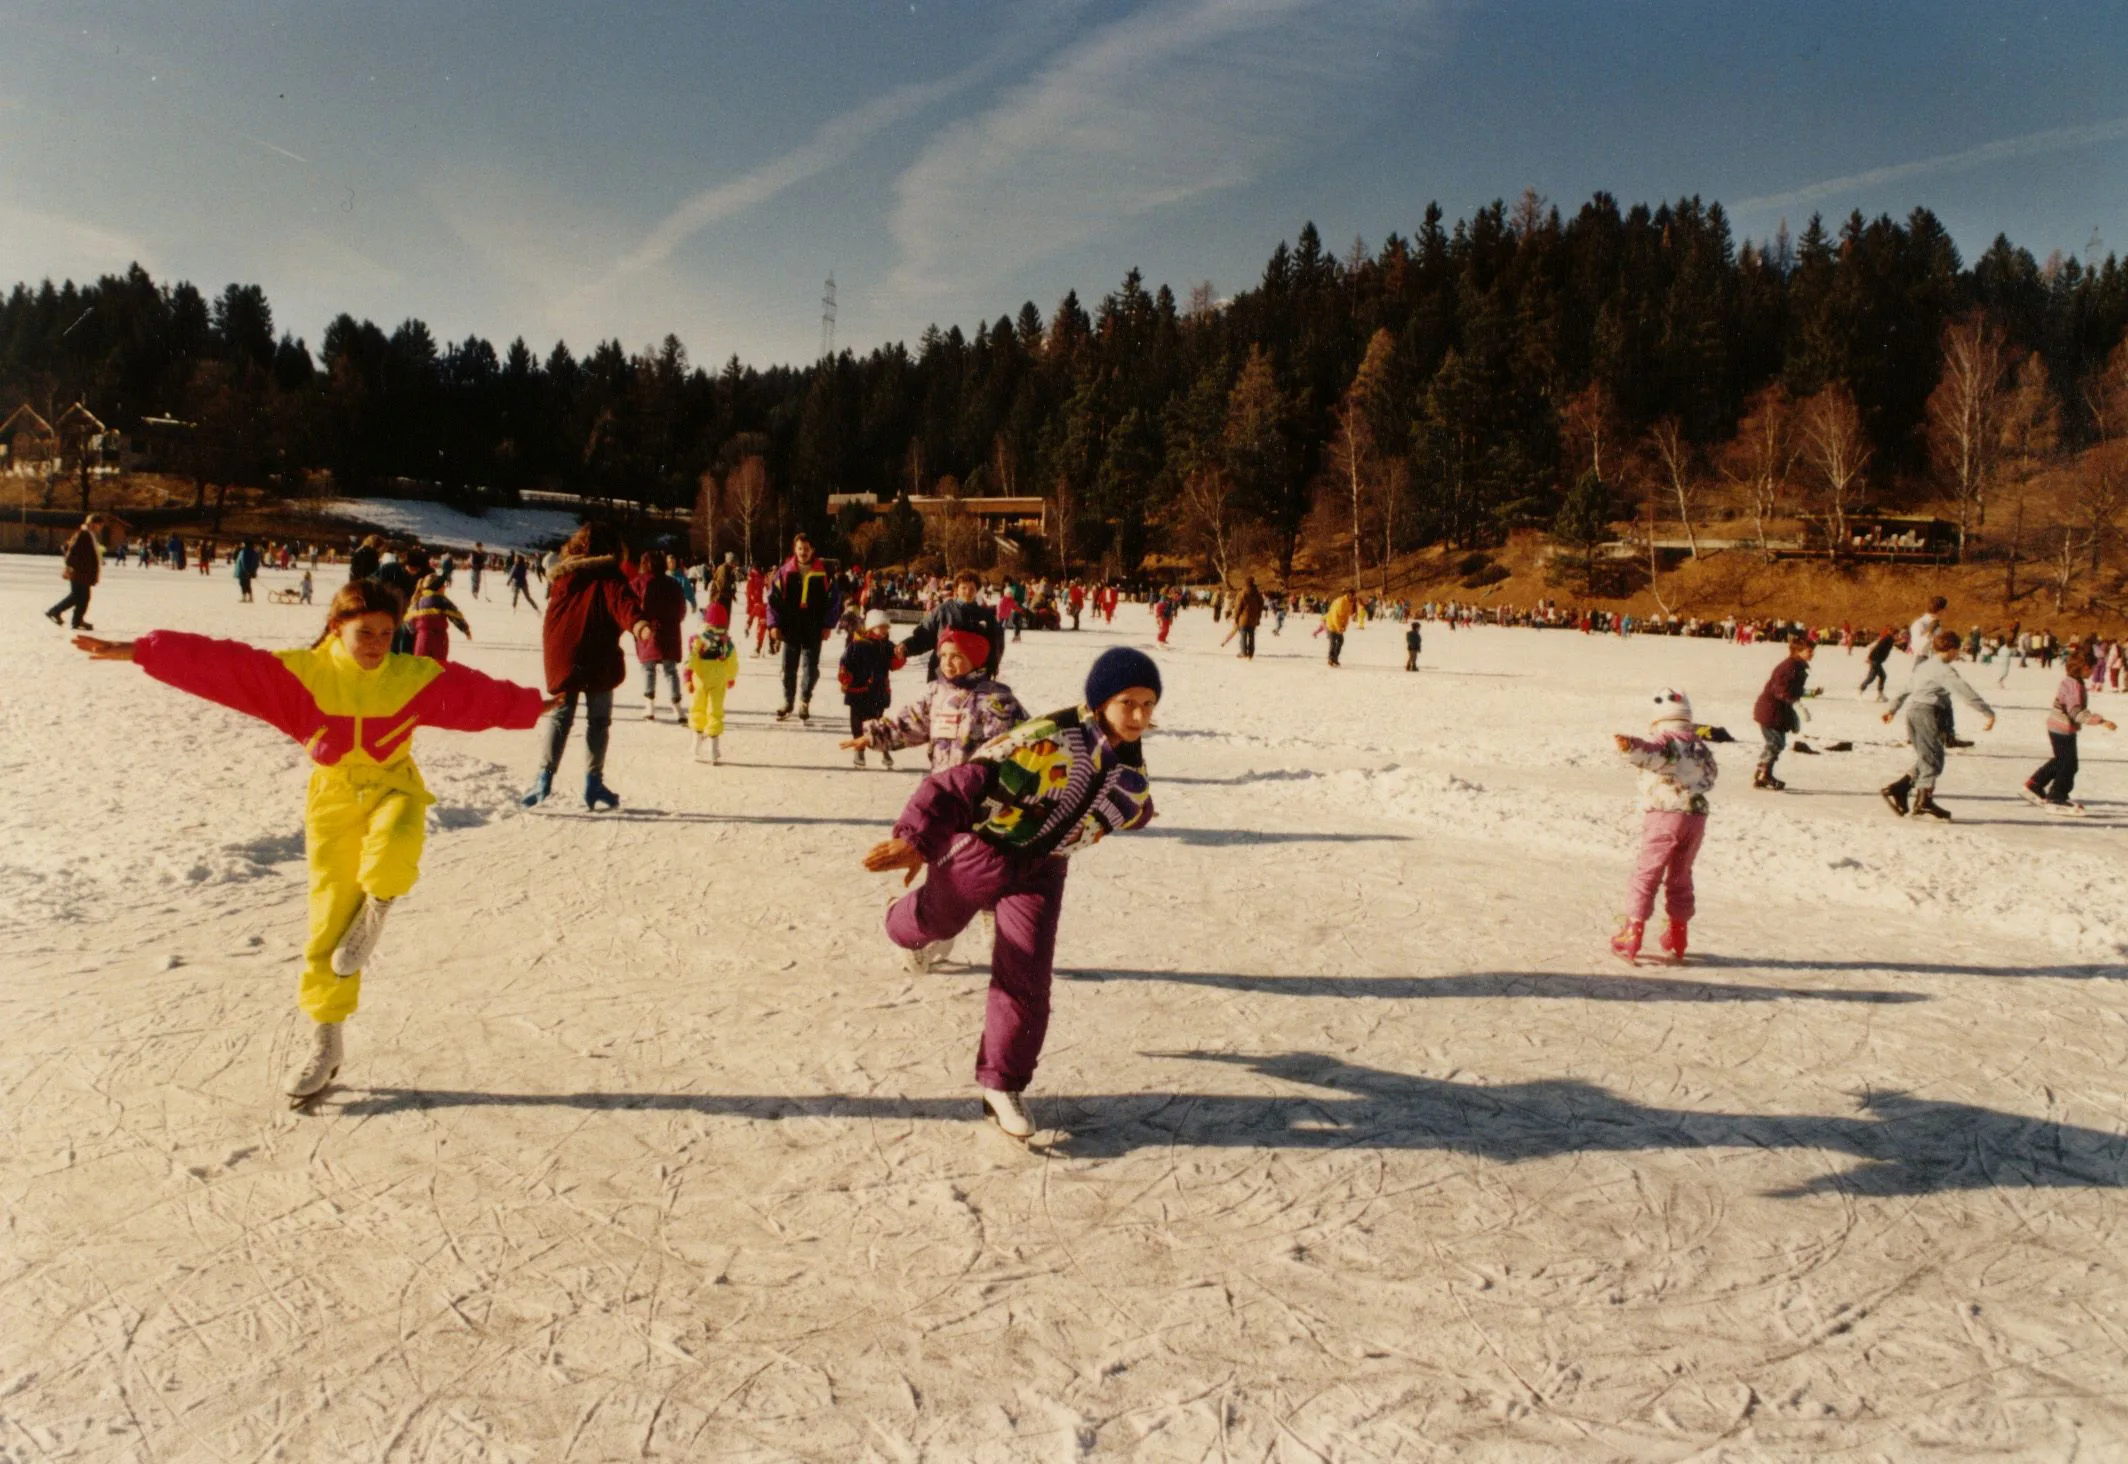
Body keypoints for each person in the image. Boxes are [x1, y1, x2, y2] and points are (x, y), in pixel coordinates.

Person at [72, 580, 550, 1103]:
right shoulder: (302, 676)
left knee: (393, 852)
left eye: (386, 633)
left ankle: (378, 910)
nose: (375, 643)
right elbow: (224, 666)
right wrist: (143, 650)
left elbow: (474, 696)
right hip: (333, 804)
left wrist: (529, 705)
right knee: (327, 925)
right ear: (334, 628)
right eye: (363, 632)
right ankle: (326, 1043)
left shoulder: (412, 675)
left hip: (395, 787)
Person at [861, 647, 1160, 1141]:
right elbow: (959, 785)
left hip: (1043, 869)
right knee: (934, 924)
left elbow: (1129, 803)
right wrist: (916, 839)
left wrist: (1137, 813)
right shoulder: (1047, 741)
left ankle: (1002, 1084)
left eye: (1149, 705)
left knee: (1027, 974)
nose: (1139, 716)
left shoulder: (1127, 762)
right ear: (1101, 701)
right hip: (985, 850)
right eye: (1128, 702)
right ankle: (900, 920)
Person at [523, 522, 652, 810]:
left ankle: (544, 777)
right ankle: (593, 782)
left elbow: (556, 617)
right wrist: (640, 624)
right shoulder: (608, 575)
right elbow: (623, 603)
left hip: (564, 653)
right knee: (598, 720)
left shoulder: (565, 575)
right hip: (597, 656)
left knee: (561, 716)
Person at [1611, 688, 1717, 965]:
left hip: (1664, 816)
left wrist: (1630, 746)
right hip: (1695, 817)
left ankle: (1632, 932)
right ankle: (1677, 934)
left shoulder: (1666, 741)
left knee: (1647, 874)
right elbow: (1710, 777)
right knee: (1681, 875)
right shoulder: (1699, 746)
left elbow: (1652, 753)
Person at [844, 627, 1028, 775]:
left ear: (976, 660)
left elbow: (1012, 747)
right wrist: (874, 736)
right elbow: (911, 721)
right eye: (944, 655)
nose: (947, 662)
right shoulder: (937, 693)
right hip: (942, 782)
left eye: (956, 656)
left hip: (978, 790)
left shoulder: (995, 701)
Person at [1882, 630, 1996, 820]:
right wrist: (1987, 712)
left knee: (1929, 757)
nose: (1958, 655)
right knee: (1933, 758)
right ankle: (1922, 801)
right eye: (1957, 651)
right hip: (1927, 713)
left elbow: (1906, 688)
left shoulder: (1925, 666)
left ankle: (1901, 789)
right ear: (1951, 650)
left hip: (1914, 712)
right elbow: (1965, 691)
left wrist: (1892, 709)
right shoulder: (1944, 670)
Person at [2021, 651, 2116, 815]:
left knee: (2061, 760)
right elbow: (2075, 712)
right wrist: (2100, 721)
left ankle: (2035, 784)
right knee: (2069, 764)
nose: (2093, 672)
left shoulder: (2071, 681)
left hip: (2058, 727)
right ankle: (2057, 796)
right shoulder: (2074, 686)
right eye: (2092, 668)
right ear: (2084, 668)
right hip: (2062, 729)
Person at [764, 533, 841, 722]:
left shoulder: (824, 572)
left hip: (813, 627)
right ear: (795, 549)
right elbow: (773, 600)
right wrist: (773, 624)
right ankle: (788, 702)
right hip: (791, 626)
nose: (803, 552)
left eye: (806, 549)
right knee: (788, 667)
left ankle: (804, 701)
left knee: (810, 668)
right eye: (800, 549)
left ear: (812, 550)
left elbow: (834, 601)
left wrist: (828, 625)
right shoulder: (784, 572)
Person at [898, 569, 1004, 681]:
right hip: (944, 671)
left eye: (972, 588)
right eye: (963, 588)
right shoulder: (944, 610)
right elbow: (924, 636)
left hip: (974, 676)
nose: (968, 591)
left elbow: (995, 645)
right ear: (956, 589)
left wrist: (992, 666)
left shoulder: (985, 616)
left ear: (977, 591)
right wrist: (906, 647)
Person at [837, 609, 899, 768]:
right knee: (857, 722)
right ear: (871, 627)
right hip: (858, 690)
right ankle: (860, 749)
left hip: (878, 690)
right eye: (881, 627)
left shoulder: (888, 646)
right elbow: (845, 663)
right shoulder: (857, 645)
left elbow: (893, 664)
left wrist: (899, 657)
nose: (885, 631)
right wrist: (845, 678)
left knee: (878, 721)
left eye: (887, 628)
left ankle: (883, 748)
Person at [1752, 638, 1816, 790]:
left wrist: (1808, 693)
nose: (1812, 654)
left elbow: (1791, 688)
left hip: (1777, 710)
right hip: (1770, 710)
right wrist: (1797, 704)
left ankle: (1762, 774)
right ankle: (1763, 774)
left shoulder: (1797, 666)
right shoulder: (1789, 666)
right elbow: (1780, 689)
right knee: (1775, 743)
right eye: (1809, 650)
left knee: (1776, 743)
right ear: (1797, 651)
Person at [633, 549, 689, 721]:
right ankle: (678, 707)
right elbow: (681, 609)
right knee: (670, 670)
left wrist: (638, 626)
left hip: (648, 631)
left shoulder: (639, 583)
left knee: (648, 669)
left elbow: (632, 607)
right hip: (670, 631)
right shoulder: (673, 583)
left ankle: (649, 708)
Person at [685, 602, 740, 764]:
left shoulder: (699, 639)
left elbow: (691, 658)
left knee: (698, 709)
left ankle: (695, 746)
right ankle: (714, 750)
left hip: (700, 678)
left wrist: (688, 677)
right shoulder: (726, 642)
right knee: (715, 711)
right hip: (718, 678)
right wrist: (730, 677)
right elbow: (732, 662)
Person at [44, 515, 103, 630]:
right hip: (79, 572)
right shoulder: (83, 534)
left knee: (82, 597)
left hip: (83, 572)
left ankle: (76, 620)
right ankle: (56, 612)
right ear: (92, 524)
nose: (100, 527)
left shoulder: (87, 534)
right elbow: (71, 550)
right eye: (99, 524)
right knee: (78, 596)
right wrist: (70, 566)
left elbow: (67, 546)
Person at [406, 572, 472, 662]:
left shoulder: (418, 600)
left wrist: (415, 631)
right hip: (439, 638)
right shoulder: (442, 600)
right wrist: (465, 629)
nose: (445, 587)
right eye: (443, 585)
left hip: (423, 637)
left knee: (421, 665)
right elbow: (455, 616)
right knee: (439, 665)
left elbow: (409, 620)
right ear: (438, 588)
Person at [1859, 627, 1897, 700]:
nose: (1898, 636)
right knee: (1872, 677)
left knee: (1882, 676)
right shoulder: (1887, 639)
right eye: (1897, 635)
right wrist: (1870, 658)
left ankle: (1880, 694)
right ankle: (1861, 690)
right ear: (1893, 634)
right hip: (1875, 660)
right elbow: (1877, 648)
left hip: (1877, 661)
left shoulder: (1890, 640)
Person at [1234, 577, 1265, 660]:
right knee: (1251, 636)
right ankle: (1251, 653)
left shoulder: (1242, 593)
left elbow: (1238, 607)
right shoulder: (1257, 593)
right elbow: (1261, 605)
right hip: (1253, 618)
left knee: (1243, 636)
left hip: (1243, 619)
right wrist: (1258, 616)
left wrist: (1236, 618)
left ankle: (1244, 653)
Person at [1322, 588, 1356, 667]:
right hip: (1331, 623)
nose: (1354, 597)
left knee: (1340, 641)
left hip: (1338, 625)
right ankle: (1330, 659)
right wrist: (1338, 628)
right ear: (1349, 595)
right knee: (1333, 642)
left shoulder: (1349, 603)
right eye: (1353, 595)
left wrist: (1344, 626)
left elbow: (1346, 616)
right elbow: (1335, 616)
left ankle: (1335, 658)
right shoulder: (1340, 602)